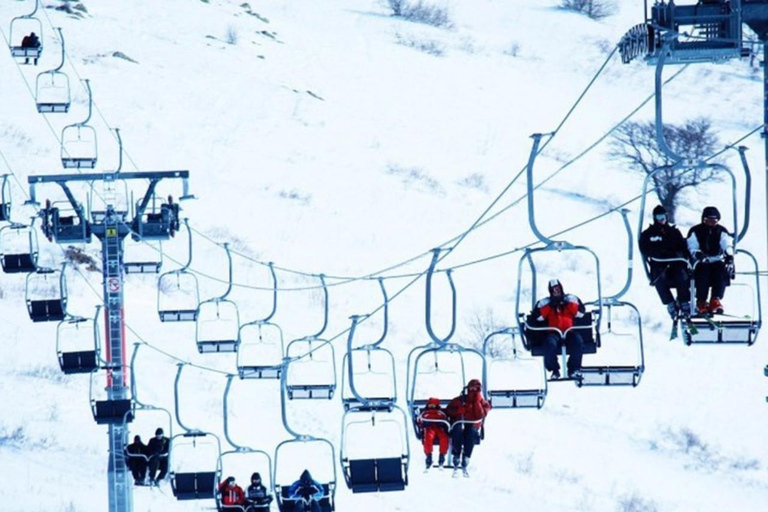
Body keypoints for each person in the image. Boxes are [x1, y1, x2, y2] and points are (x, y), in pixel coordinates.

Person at [639, 205, 692, 319]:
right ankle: (670, 303)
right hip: (659, 265)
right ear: (654, 218)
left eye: (663, 216)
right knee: (659, 279)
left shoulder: (674, 232)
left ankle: (683, 301)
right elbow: (644, 249)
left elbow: (683, 247)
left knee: (682, 276)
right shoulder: (649, 234)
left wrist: (681, 255)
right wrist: (658, 253)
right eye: (659, 216)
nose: (661, 219)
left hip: (675, 263)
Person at [533, 279, 585, 379]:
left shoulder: (570, 299)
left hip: (569, 331)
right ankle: (554, 370)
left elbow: (580, 313)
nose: (556, 291)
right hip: (554, 332)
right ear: (550, 291)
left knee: (578, 342)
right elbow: (538, 317)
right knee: (549, 345)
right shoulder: (545, 303)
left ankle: (573, 369)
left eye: (558, 289)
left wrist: (568, 304)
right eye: (553, 290)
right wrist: (550, 306)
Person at [687, 206, 734, 314]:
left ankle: (715, 299)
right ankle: (701, 301)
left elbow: (726, 243)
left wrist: (729, 256)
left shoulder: (721, 231)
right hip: (701, 262)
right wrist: (698, 254)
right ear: (703, 219)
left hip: (716, 260)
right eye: (708, 221)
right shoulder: (696, 231)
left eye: (714, 221)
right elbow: (692, 245)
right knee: (703, 273)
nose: (711, 223)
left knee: (721, 271)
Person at [445, 379, 490, 477]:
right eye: (471, 388)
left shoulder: (483, 403)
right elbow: (448, 411)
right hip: (459, 423)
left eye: (476, 389)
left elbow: (480, 415)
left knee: (471, 432)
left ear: (479, 390)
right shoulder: (459, 400)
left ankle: (466, 457)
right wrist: (457, 411)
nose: (473, 391)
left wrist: (477, 401)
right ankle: (456, 455)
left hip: (472, 425)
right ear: (467, 388)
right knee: (457, 430)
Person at [417, 397, 450, 470]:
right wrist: (421, 425)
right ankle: (429, 456)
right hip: (429, 428)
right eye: (430, 405)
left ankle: (442, 455)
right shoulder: (425, 413)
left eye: (433, 405)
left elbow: (445, 420)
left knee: (444, 438)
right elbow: (420, 420)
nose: (431, 407)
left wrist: (444, 425)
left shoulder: (440, 413)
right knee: (428, 437)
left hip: (439, 427)